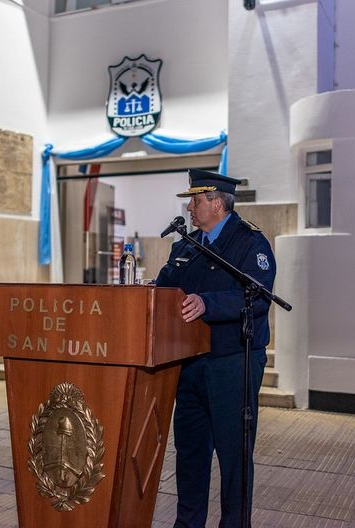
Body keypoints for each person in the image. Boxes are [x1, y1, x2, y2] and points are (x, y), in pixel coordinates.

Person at [155, 168, 276, 527]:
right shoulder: (185, 246)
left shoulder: (249, 242)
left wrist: (209, 304)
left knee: (233, 457)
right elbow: (164, 289)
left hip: (232, 363)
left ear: (217, 203)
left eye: (195, 199)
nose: (190, 207)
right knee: (190, 454)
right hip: (190, 366)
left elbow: (258, 297)